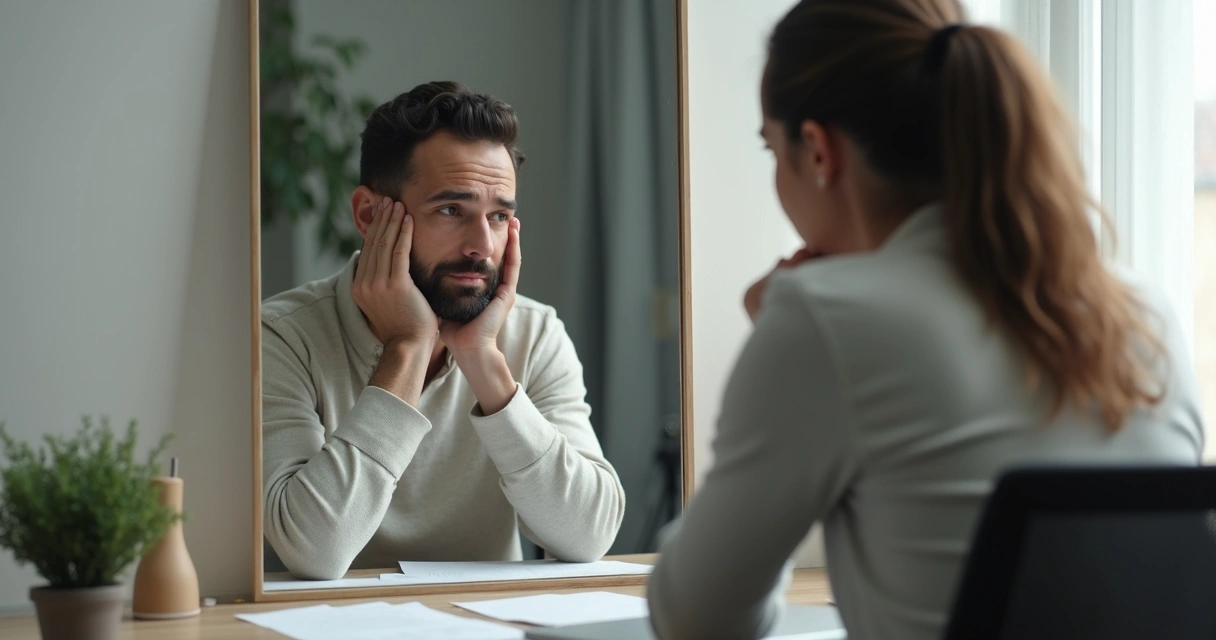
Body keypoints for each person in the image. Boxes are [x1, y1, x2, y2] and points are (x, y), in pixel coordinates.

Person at [647, 1, 1205, 639]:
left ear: (819, 152)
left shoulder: (826, 319)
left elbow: (698, 620)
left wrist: (783, 334)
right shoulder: (1147, 314)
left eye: (771, 149)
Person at [261, 81, 625, 580]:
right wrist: (407, 348)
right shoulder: (283, 336)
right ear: (369, 215)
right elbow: (314, 552)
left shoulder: (536, 334)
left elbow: (588, 536)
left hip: (487, 619)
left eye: (499, 216)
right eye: (451, 210)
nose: (483, 245)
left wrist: (483, 360)